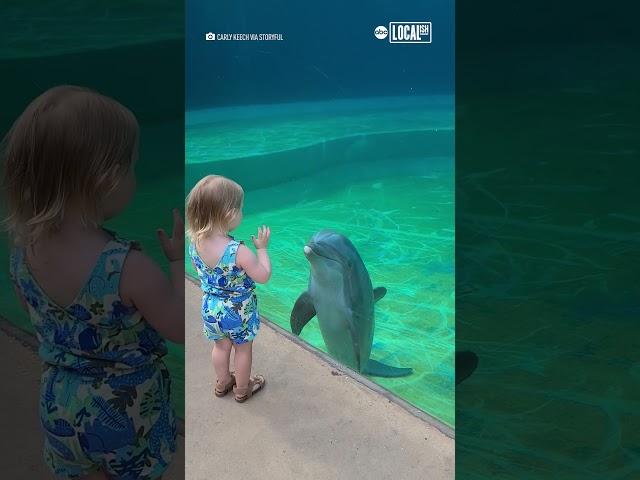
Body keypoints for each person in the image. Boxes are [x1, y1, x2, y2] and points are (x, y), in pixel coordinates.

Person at [2, 85, 184, 479]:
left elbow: (37, 313)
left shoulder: (23, 253)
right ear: (105, 180)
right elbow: (180, 328)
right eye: (131, 166)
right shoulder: (129, 268)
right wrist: (178, 263)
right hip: (123, 413)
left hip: (59, 406)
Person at [186, 175, 271, 402]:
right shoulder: (238, 251)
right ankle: (243, 389)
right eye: (240, 208)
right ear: (229, 214)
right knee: (242, 349)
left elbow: (204, 271)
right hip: (239, 312)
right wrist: (262, 250)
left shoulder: (194, 243)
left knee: (221, 347)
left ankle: (223, 382)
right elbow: (263, 276)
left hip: (211, 309)